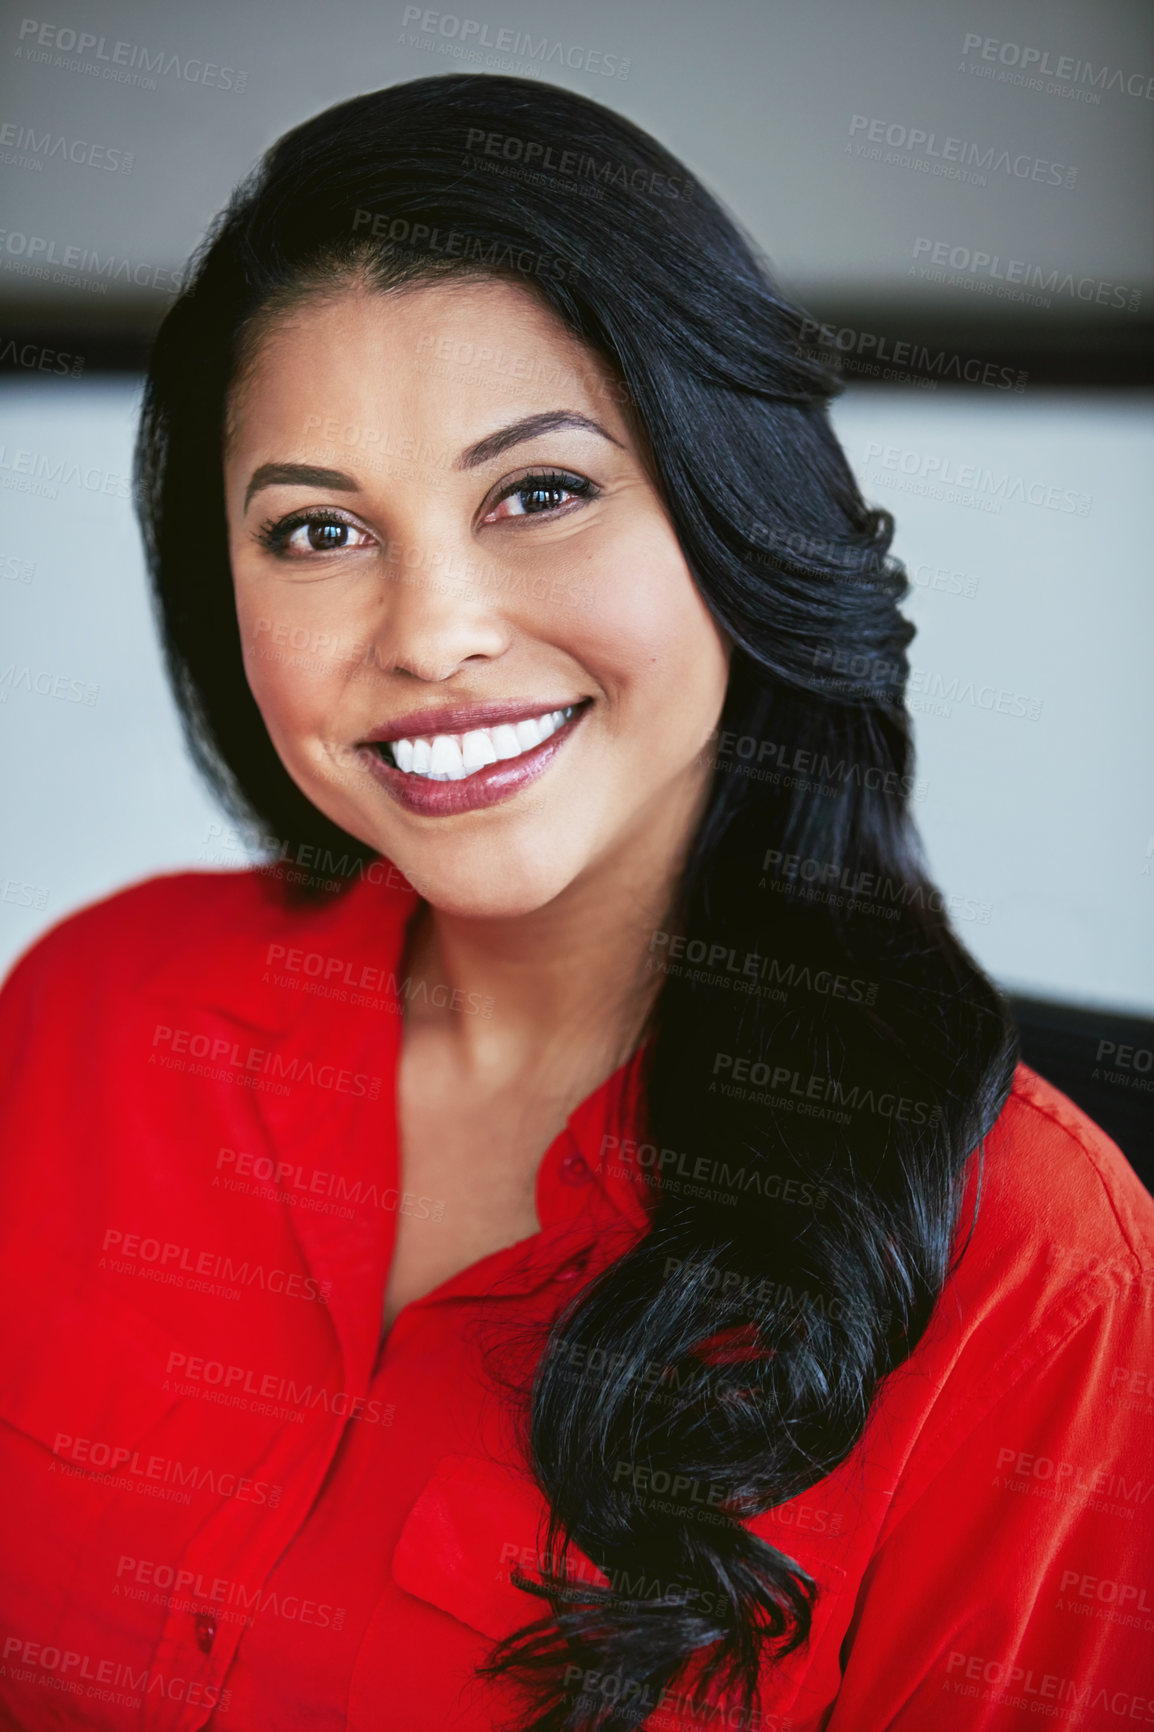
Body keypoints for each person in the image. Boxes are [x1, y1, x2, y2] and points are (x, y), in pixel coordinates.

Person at [0, 73, 1150, 1732]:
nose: (431, 630)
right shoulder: (98, 1006)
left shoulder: (1041, 1276)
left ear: (732, 513)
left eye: (539, 492)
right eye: (319, 530)